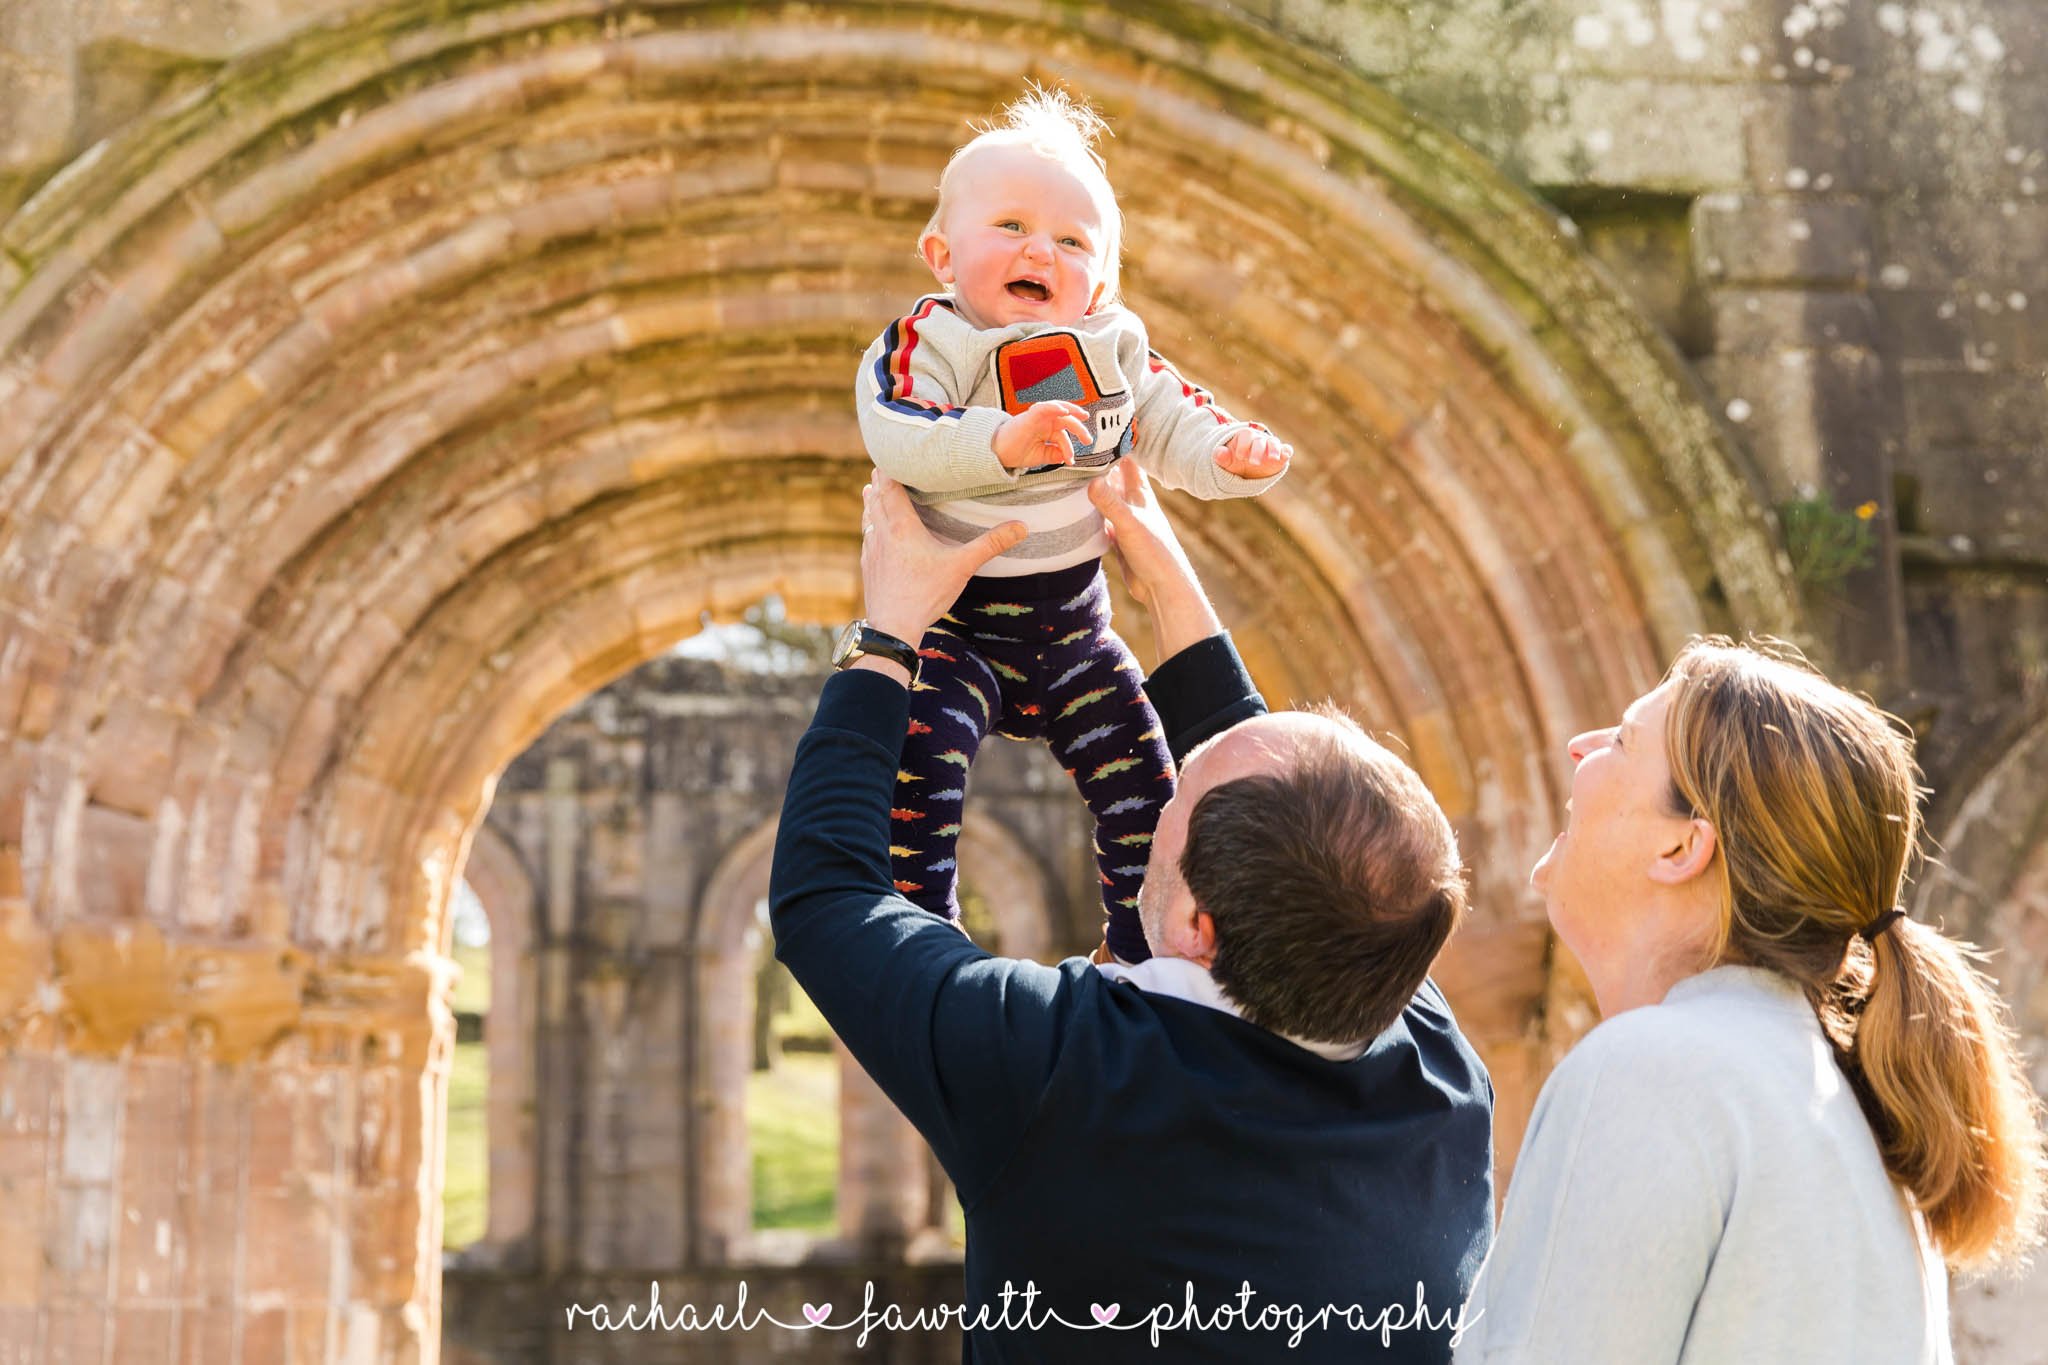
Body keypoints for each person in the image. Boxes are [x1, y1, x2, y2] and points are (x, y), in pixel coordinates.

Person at [769, 464, 1493, 1362]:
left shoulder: (1061, 1077)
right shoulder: (1435, 1064)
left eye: (1172, 806)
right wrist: (1169, 580)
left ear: (1197, 925)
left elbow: (826, 895)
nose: (1160, 795)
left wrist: (886, 634)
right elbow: (1298, 835)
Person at [1454, 638, 2048, 1363]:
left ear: (1682, 849)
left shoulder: (1651, 1073)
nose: (1580, 747)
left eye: (1621, 739)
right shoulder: (1860, 1124)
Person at [853, 85, 1290, 964]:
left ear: (1102, 281)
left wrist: (1228, 456)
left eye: (1071, 240)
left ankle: (1136, 950)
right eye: (1010, 226)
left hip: (1074, 635)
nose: (1039, 250)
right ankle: (922, 935)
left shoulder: (1110, 346)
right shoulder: (929, 342)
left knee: (1145, 780)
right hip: (955, 630)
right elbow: (896, 426)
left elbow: (1172, 417)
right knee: (919, 770)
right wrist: (1001, 443)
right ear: (941, 253)